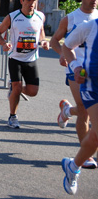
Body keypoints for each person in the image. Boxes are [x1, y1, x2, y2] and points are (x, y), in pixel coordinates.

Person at [50, 0, 98, 169]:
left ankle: (67, 111)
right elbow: (56, 41)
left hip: (95, 72)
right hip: (76, 69)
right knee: (84, 110)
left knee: (84, 109)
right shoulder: (71, 19)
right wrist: (63, 55)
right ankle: (85, 155)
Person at [0, 0, 49, 129]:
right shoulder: (12, 17)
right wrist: (3, 44)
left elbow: (41, 33)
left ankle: (13, 90)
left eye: (34, 1)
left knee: (33, 92)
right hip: (15, 58)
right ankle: (13, 116)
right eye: (28, 0)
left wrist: (43, 42)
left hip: (31, 58)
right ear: (21, 1)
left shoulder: (40, 16)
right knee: (17, 86)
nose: (31, 3)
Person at [59, 17, 98, 195]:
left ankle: (73, 167)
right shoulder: (90, 27)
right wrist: (75, 67)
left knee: (95, 138)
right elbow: (66, 46)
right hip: (92, 87)